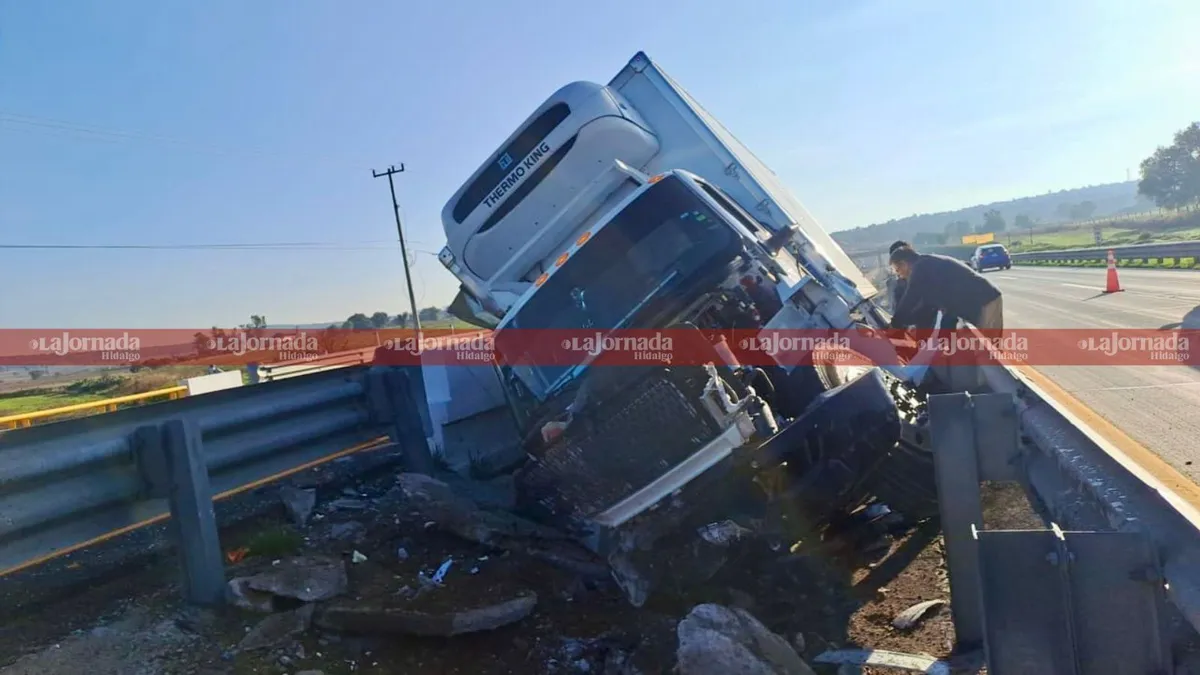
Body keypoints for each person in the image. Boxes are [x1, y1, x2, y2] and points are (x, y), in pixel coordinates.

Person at [888, 246, 1003, 332]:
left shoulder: (921, 267)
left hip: (986, 301)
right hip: (980, 302)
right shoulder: (927, 267)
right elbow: (927, 307)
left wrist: (895, 324)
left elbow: (911, 297)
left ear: (904, 264)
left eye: (898, 270)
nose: (900, 276)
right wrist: (905, 323)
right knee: (982, 351)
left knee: (989, 352)